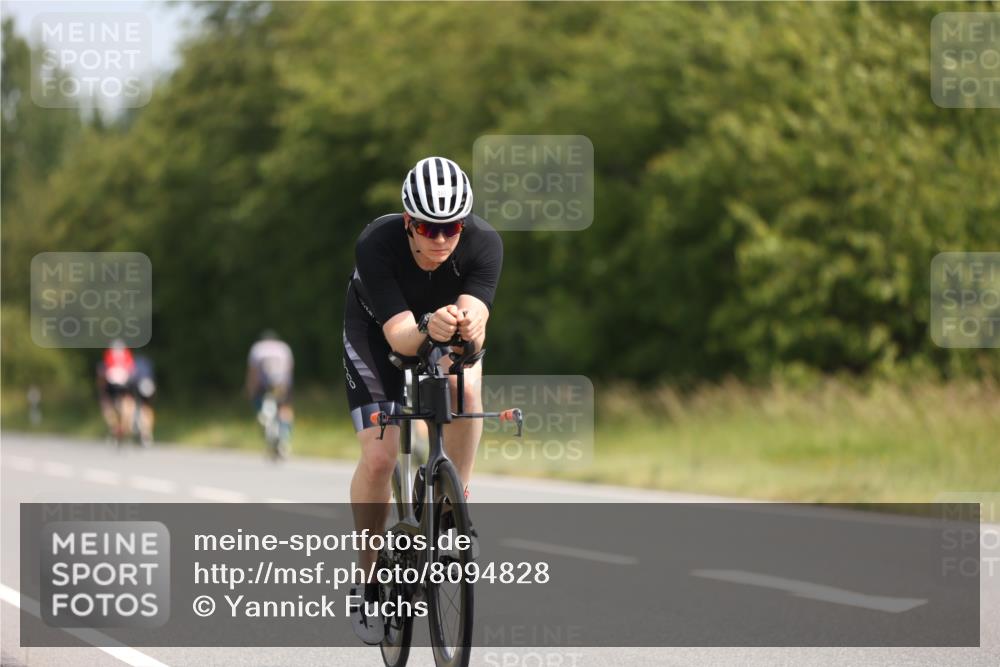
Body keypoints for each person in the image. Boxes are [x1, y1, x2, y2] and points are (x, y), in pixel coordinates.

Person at [342, 156, 503, 643]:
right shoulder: (377, 242)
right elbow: (398, 337)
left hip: (441, 328)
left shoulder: (484, 243)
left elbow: (474, 323)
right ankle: (369, 580)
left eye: (450, 227)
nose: (439, 240)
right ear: (408, 223)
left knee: (467, 386)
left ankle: (454, 502)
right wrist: (425, 326)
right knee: (379, 455)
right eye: (428, 228)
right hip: (376, 331)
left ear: (464, 224)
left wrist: (469, 325)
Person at [245, 330, 295, 447]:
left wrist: (250, 389)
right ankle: (285, 435)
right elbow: (289, 370)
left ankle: (263, 416)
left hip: (263, 384)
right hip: (281, 384)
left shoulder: (257, 348)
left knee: (259, 403)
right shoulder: (284, 348)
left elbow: (253, 372)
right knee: (285, 408)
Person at [95, 339, 136, 441]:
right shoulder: (126, 353)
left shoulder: (109, 353)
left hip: (112, 383)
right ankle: (127, 425)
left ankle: (114, 427)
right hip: (125, 383)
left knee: (106, 403)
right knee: (128, 402)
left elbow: (104, 370)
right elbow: (132, 369)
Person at [129, 354, 157, 446]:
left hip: (138, 385)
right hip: (148, 384)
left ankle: (141, 430)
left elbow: (131, 378)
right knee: (147, 408)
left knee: (137, 407)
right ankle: (147, 433)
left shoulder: (132, 363)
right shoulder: (146, 362)